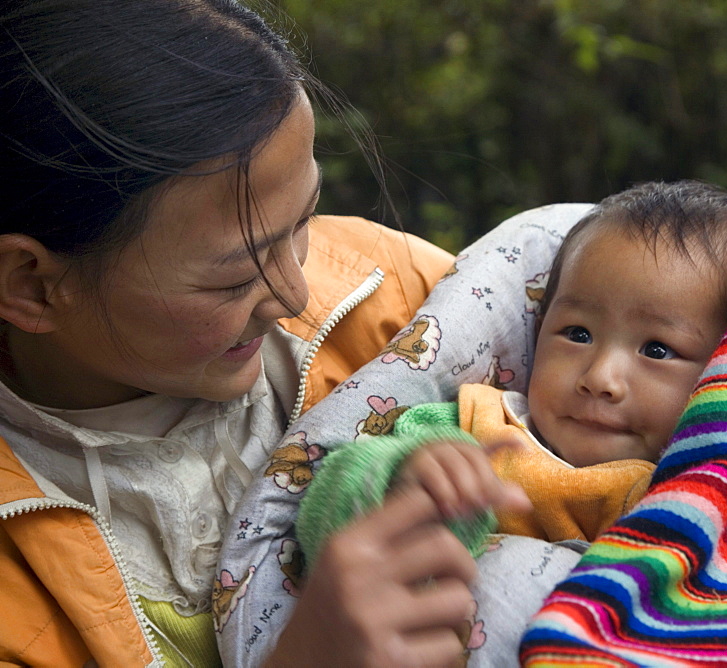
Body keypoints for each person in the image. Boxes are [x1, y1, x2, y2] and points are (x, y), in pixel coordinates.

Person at [0, 1, 524, 666]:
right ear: (30, 284)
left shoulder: (398, 295)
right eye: (230, 279)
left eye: (303, 220)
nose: (294, 294)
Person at [295, 180, 727, 568]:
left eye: (657, 349)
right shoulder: (479, 433)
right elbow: (325, 523)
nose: (600, 377)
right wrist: (400, 481)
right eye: (577, 334)